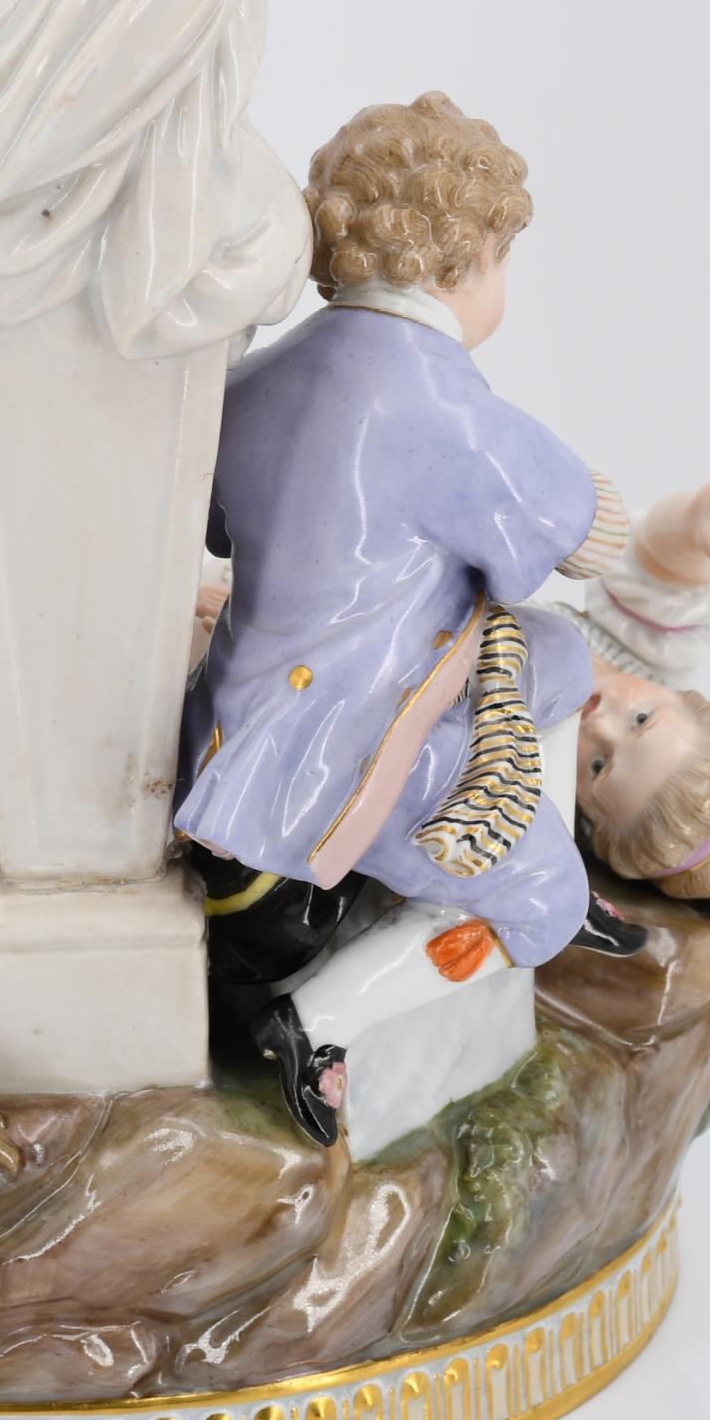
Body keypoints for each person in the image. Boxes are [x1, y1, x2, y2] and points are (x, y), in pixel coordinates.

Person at [174, 90, 630, 1143]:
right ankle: (319, 1019)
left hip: (251, 712)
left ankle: (527, 833)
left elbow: (214, 523)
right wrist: (623, 518)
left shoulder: (256, 380)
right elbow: (586, 538)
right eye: (500, 260)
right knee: (543, 906)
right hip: (341, 752)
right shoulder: (444, 404)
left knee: (559, 659)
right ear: (464, 260)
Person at [571, 456, 710, 915]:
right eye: (640, 719)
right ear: (680, 697)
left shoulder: (518, 771)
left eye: (598, 766)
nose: (600, 726)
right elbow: (661, 577)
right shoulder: (641, 653)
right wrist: (694, 527)